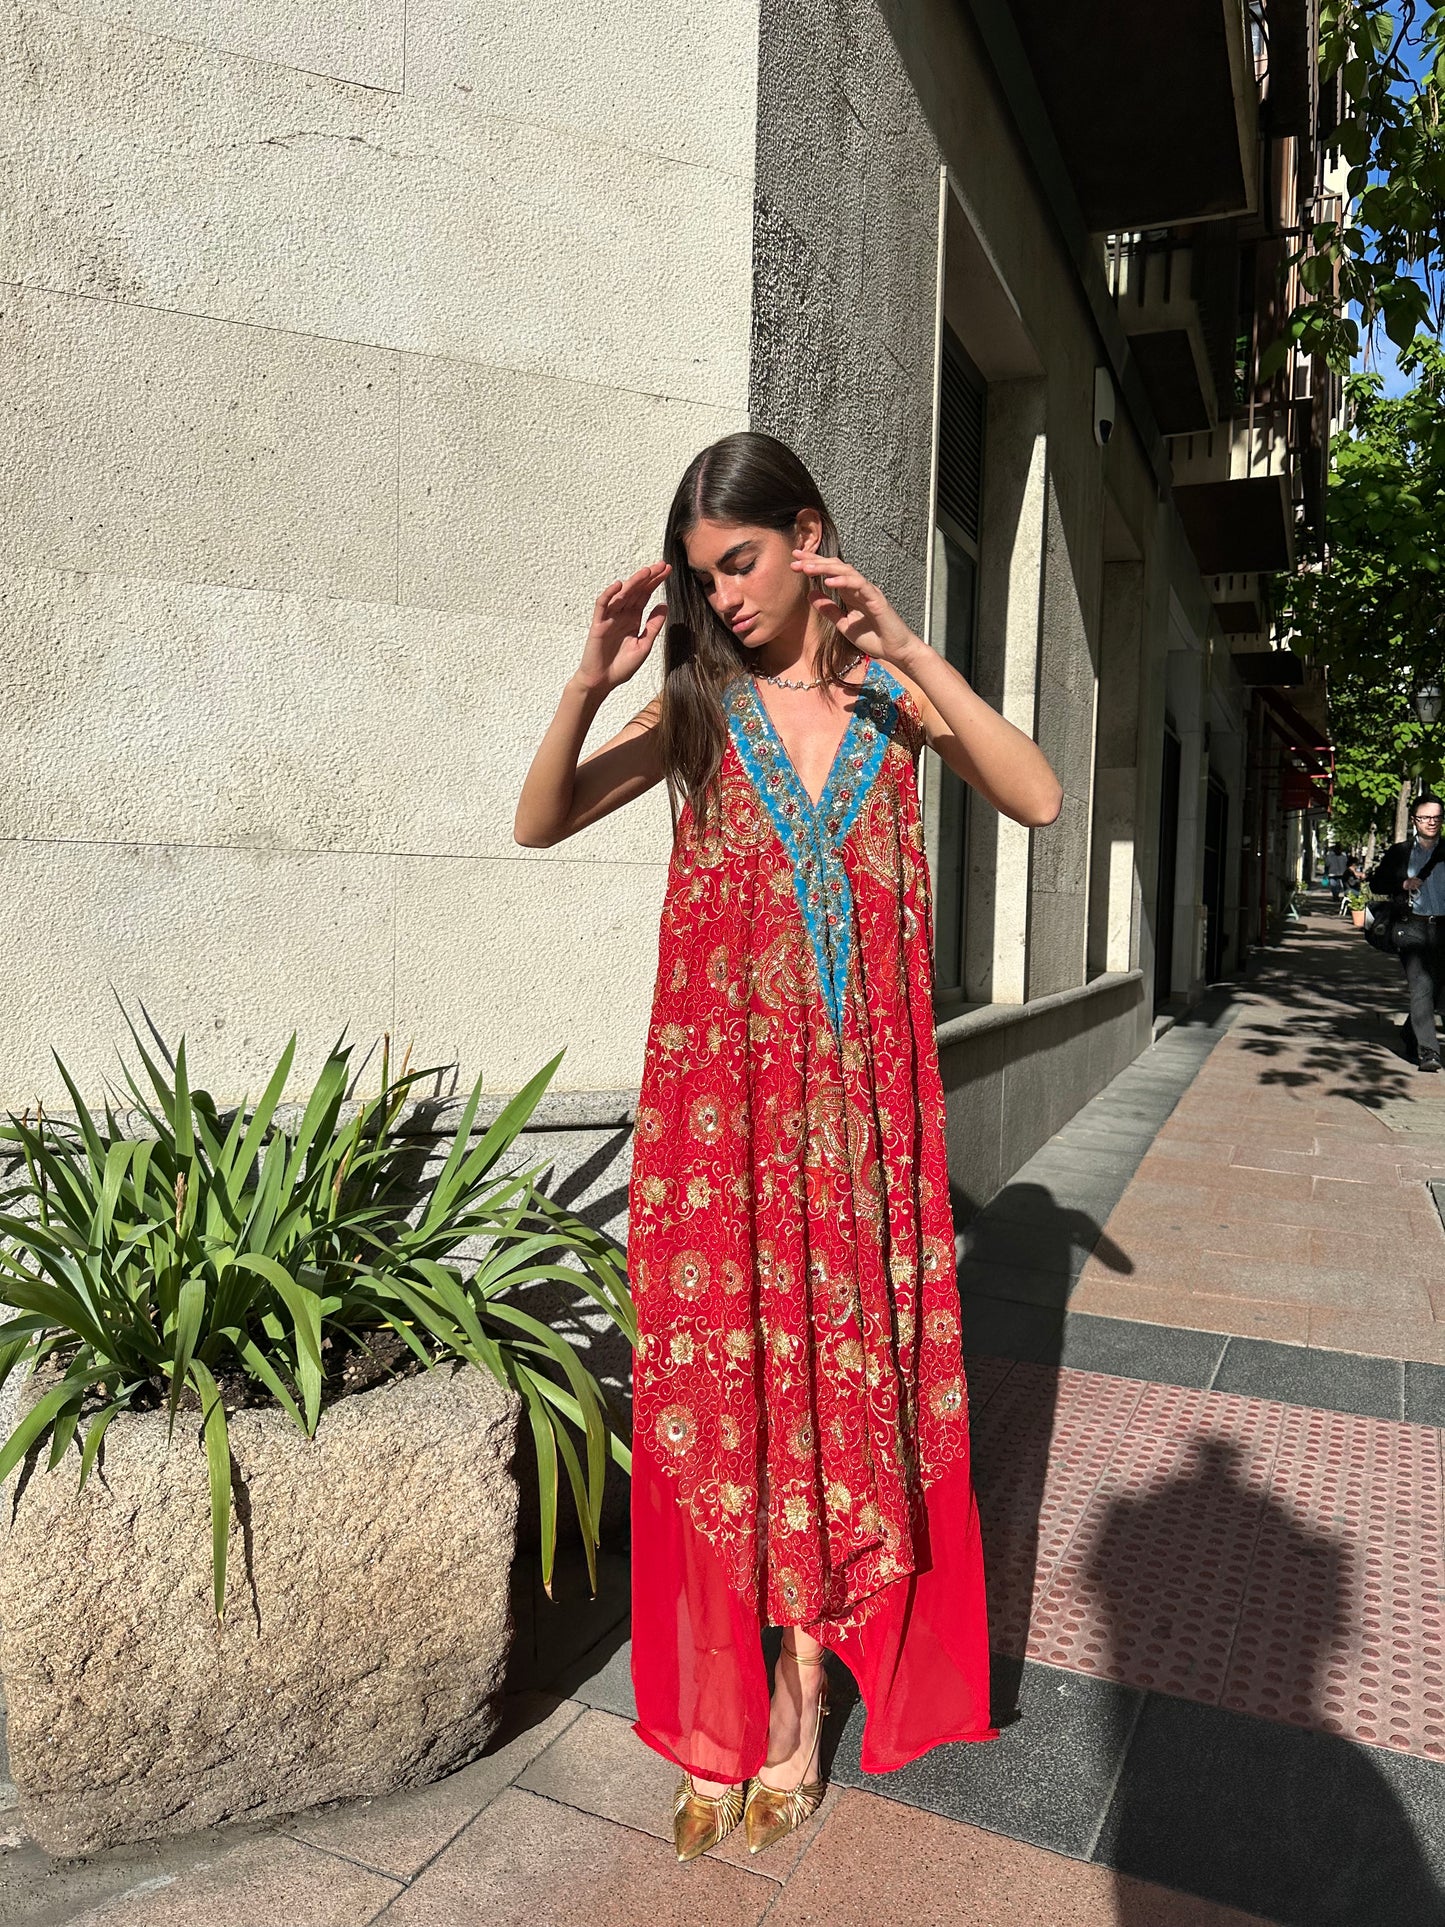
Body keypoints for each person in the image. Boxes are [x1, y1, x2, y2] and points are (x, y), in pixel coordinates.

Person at [514, 431, 1062, 1861]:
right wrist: (592, 679)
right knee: (723, 1397)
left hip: (860, 1140)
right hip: (719, 1134)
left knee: (830, 1404)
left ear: (805, 535)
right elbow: (539, 821)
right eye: (709, 576)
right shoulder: (698, 706)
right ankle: (718, 1705)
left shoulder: (889, 707)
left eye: (742, 561)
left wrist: (913, 643)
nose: (728, 597)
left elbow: (1041, 794)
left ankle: (801, 1703)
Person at [1370, 794, 1445, 1072]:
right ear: (1414, 819)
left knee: (1437, 989)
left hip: (1443, 928)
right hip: (1411, 925)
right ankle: (1429, 1052)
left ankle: (1409, 1032)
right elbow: (1377, 882)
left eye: (1436, 817)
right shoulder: (1400, 852)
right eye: (1425, 817)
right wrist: (1402, 882)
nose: (1431, 822)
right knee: (1421, 985)